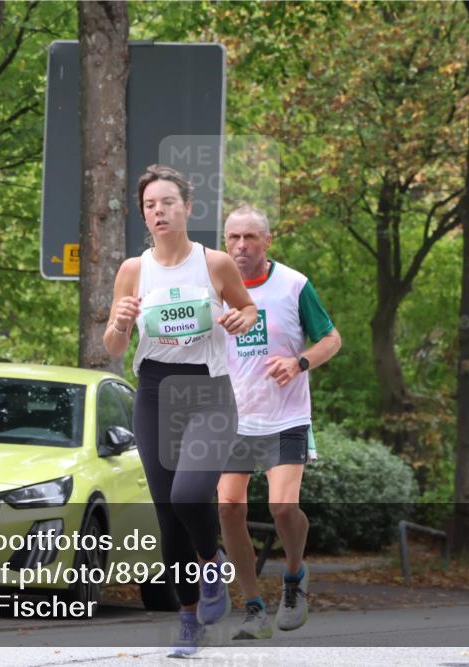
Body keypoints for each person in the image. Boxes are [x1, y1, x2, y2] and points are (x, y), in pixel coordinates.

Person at [103, 166, 258, 657]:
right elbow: (111, 346)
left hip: (208, 393)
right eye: (151, 205)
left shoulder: (214, 265)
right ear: (143, 215)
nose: (159, 211)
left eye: (168, 202)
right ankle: (188, 619)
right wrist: (121, 323)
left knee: (191, 494)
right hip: (154, 393)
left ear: (188, 208)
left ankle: (211, 563)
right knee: (168, 513)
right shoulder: (133, 270)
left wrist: (239, 317)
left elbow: (249, 310)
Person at [216, 205, 342, 639]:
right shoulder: (214, 288)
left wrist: (299, 362)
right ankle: (253, 606)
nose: (241, 246)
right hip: (234, 419)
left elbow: (332, 338)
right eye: (233, 238)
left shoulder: (293, 285)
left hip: (286, 415)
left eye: (251, 237)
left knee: (282, 507)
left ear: (267, 241)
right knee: (228, 507)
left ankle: (294, 577)